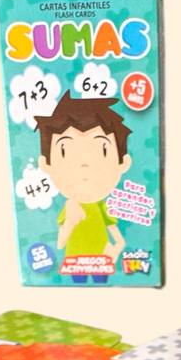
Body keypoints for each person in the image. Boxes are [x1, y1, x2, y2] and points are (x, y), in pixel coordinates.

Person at [35, 93, 132, 283]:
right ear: (46, 164)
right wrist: (70, 222)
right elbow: (60, 243)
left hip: (101, 261)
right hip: (74, 261)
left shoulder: (101, 206)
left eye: (102, 150)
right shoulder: (69, 207)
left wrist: (113, 252)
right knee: (77, 285)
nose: (84, 164)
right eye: (65, 151)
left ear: (123, 163)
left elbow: (119, 240)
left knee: (102, 286)